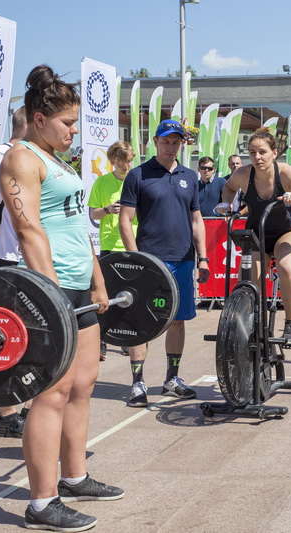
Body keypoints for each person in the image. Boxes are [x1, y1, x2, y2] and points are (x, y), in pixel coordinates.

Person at [0, 65, 123, 532]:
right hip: (49, 289)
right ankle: (41, 503)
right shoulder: (22, 159)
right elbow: (28, 229)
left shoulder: (60, 161)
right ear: (38, 119)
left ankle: (74, 477)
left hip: (79, 286)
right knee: (50, 394)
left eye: (75, 122)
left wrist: (97, 280)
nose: (74, 131)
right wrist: (52, 295)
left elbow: (77, 226)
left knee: (83, 385)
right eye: (67, 123)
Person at [118, 119, 210, 407]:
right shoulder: (138, 175)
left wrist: (203, 258)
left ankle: (172, 378)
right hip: (149, 262)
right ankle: (138, 383)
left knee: (178, 320)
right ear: (155, 142)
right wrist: (136, 259)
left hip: (182, 260)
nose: (171, 147)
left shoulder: (190, 177)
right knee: (141, 321)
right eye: (166, 141)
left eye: (176, 142)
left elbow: (196, 219)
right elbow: (125, 220)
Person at [219, 128, 291, 345]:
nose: (257, 157)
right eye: (252, 153)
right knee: (247, 280)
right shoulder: (243, 174)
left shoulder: (286, 172)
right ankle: (251, 322)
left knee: (286, 267)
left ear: (274, 153)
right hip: (257, 234)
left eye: (262, 152)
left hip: (286, 232)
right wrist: (226, 203)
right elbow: (228, 187)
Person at [0, 106, 32, 438]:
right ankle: (6, 415)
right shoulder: (2, 154)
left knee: (34, 338)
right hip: (9, 257)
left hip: (29, 258)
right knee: (5, 338)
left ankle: (28, 409)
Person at [87, 140, 137, 360]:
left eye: (128, 161)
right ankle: (102, 340)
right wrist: (107, 209)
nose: (125, 166)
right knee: (106, 293)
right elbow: (93, 214)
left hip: (132, 243)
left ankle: (126, 338)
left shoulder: (137, 180)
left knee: (130, 293)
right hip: (109, 244)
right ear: (112, 161)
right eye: (121, 162)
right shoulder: (102, 182)